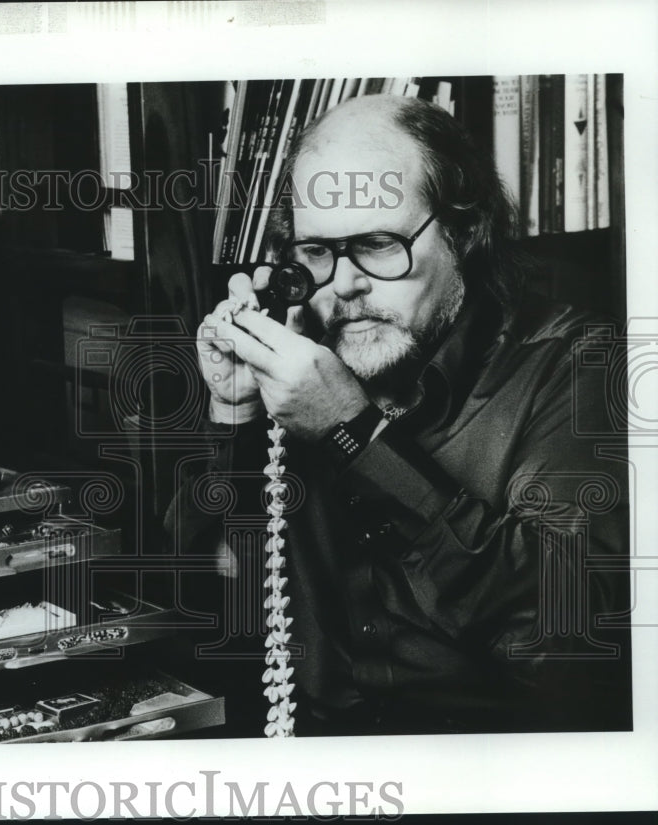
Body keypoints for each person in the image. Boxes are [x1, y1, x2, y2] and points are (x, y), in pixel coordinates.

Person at [166, 93, 631, 735]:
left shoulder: (579, 366)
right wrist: (235, 414)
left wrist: (354, 436)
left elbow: (568, 647)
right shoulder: (295, 365)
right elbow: (206, 613)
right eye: (319, 253)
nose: (346, 285)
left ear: (466, 232)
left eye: (380, 245)